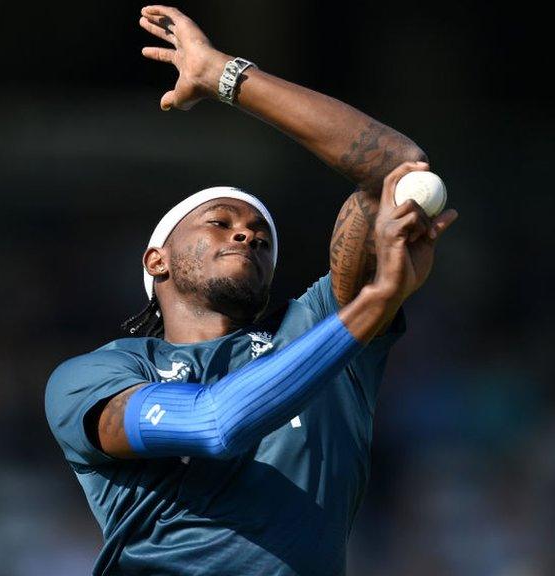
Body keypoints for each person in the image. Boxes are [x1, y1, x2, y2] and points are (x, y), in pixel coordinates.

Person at [45, 5, 459, 575]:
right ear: (155, 259)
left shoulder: (314, 325)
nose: (246, 232)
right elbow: (213, 425)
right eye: (219, 222)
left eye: (261, 236)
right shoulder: (96, 375)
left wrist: (224, 75)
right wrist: (374, 305)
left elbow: (396, 167)